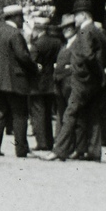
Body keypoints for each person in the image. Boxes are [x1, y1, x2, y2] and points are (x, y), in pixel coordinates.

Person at [50, 0, 106, 162]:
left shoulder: (85, 31)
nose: (75, 19)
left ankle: (59, 150)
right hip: (93, 83)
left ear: (84, 15)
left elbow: (87, 55)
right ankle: (93, 152)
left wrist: (96, 72)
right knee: (92, 115)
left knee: (70, 113)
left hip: (82, 80)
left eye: (77, 15)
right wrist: (101, 75)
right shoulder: (97, 31)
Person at [0, 4, 38, 157]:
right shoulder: (15, 34)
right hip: (16, 81)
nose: (22, 21)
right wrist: (35, 68)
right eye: (21, 17)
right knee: (19, 114)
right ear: (15, 17)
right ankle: (21, 149)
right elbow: (23, 56)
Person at [28, 15, 62, 153]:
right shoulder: (57, 42)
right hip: (51, 82)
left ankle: (41, 142)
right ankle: (49, 142)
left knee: (38, 114)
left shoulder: (37, 45)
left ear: (37, 30)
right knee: (48, 113)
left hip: (38, 84)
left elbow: (32, 63)